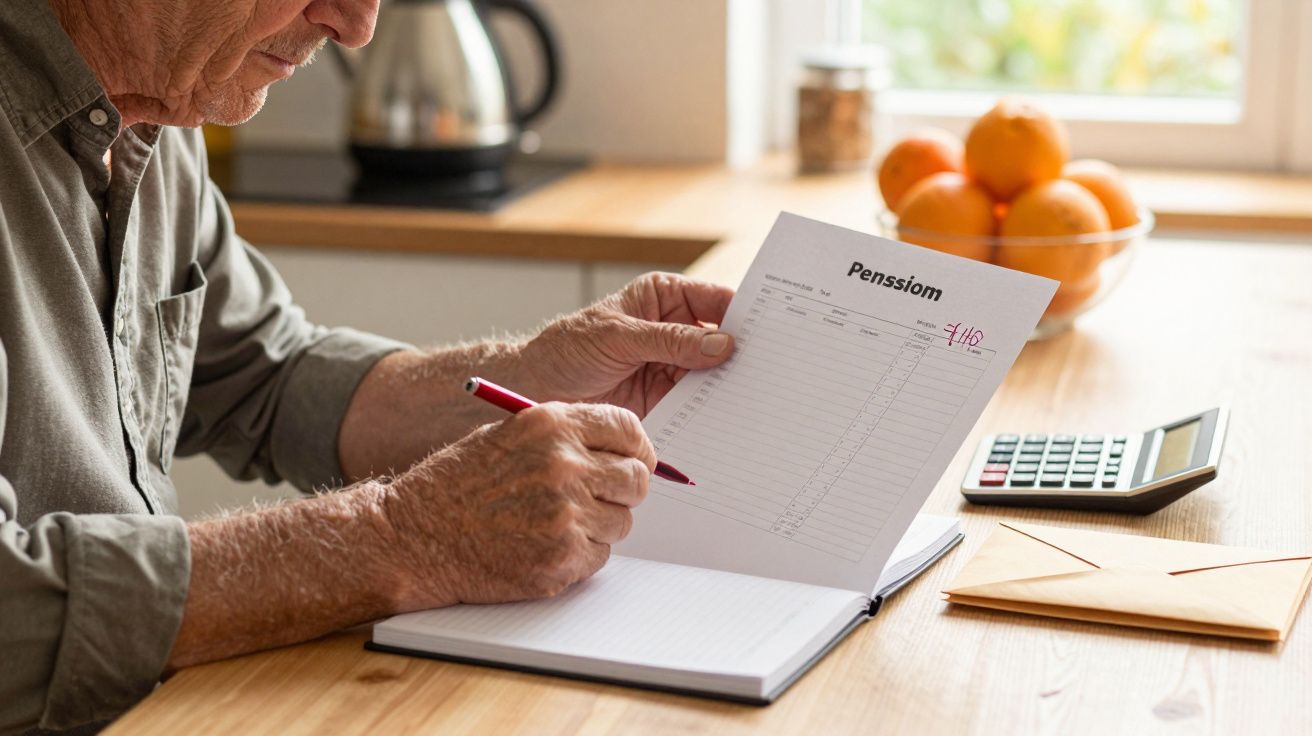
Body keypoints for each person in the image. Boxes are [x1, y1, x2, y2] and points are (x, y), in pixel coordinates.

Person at [0, 0, 736, 732]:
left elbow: (266, 374)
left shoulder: (157, 107)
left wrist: (531, 372)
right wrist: (402, 535)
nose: (356, 26)